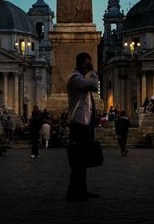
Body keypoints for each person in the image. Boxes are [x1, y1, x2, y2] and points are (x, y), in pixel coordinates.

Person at [66, 52, 100, 201]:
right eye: (88, 63)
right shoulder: (75, 78)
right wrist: (93, 71)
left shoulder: (80, 78)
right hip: (79, 123)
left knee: (84, 159)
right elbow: (93, 86)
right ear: (83, 64)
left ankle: (82, 189)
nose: (90, 66)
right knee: (79, 160)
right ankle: (73, 191)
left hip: (84, 123)